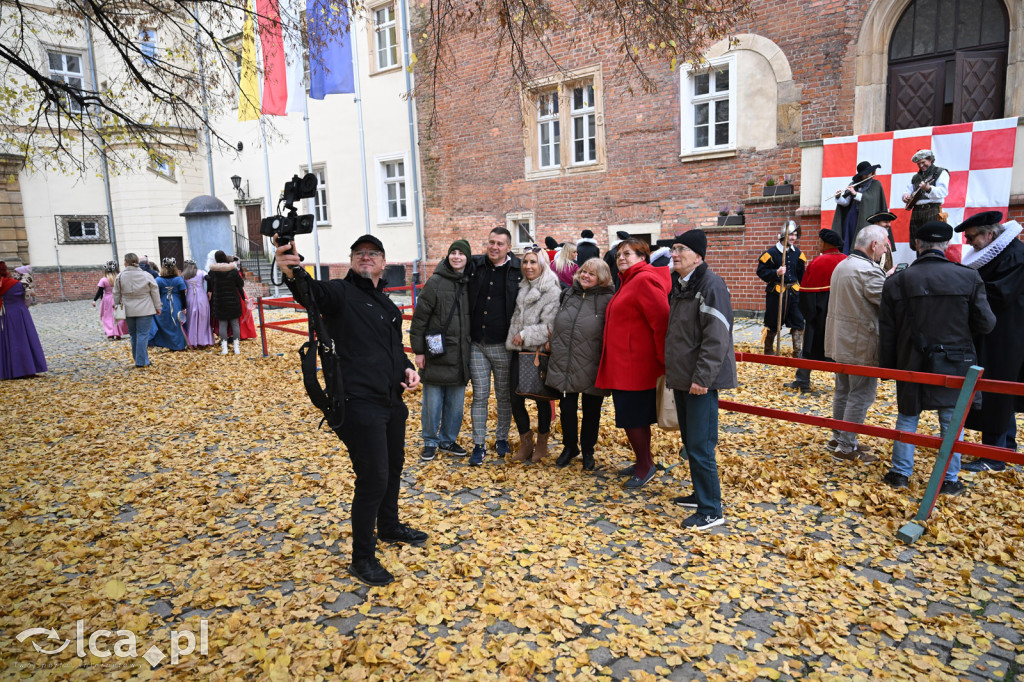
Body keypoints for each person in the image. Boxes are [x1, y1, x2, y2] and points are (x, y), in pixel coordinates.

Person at [275, 233, 426, 587]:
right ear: (351, 260)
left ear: (384, 262)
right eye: (359, 253)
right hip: (359, 402)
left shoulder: (387, 305)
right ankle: (362, 558)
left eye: (373, 253)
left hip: (391, 400)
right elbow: (311, 293)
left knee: (393, 467)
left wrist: (407, 368)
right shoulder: (340, 294)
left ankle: (388, 525)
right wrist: (292, 270)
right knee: (372, 477)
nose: (366, 257)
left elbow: (393, 350)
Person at [878, 220, 995, 495]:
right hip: (956, 361)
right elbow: (986, 324)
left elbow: (887, 331)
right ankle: (949, 479)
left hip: (911, 360)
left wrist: (888, 368)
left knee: (908, 417)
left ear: (917, 244)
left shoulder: (897, 281)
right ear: (946, 245)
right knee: (952, 422)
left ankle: (900, 473)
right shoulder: (968, 277)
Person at [665, 230, 736, 530]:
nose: (674, 254)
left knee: (701, 444)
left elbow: (717, 337)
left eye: (681, 249)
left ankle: (711, 510)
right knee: (691, 441)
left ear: (698, 256)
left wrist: (702, 378)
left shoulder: (710, 284)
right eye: (673, 249)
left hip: (699, 380)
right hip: (684, 377)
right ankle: (700, 495)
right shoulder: (682, 284)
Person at [595, 237, 671, 488]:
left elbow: (661, 321)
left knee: (633, 417)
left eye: (628, 254)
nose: (621, 258)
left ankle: (645, 466)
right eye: (619, 254)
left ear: (643, 257)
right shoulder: (628, 280)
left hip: (636, 366)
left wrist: (663, 361)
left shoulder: (643, 280)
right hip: (625, 364)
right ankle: (643, 460)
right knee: (632, 417)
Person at [956, 212, 1024, 472]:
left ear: (990, 234)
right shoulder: (1004, 252)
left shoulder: (1015, 255)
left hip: (1006, 336)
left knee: (998, 391)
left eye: (972, 236)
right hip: (998, 333)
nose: (969, 242)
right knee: (1001, 392)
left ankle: (994, 456)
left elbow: (997, 294)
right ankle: (1003, 448)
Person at [824, 224, 891, 463]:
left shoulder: (843, 264)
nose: (886, 250)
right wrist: (891, 282)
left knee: (843, 391)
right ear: (874, 245)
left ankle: (838, 438)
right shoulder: (868, 271)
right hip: (861, 342)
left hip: (841, 340)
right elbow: (887, 303)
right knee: (860, 395)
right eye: (885, 245)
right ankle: (846, 446)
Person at [409, 239, 473, 462]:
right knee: (432, 403)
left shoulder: (470, 282)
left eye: (461, 253)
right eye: (453, 253)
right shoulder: (435, 282)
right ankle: (430, 441)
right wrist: (419, 351)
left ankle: (447, 440)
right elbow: (419, 319)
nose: (456, 257)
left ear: (467, 258)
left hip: (461, 353)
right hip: (436, 351)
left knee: (455, 404)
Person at [548, 257, 614, 470]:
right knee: (567, 408)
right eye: (584, 271)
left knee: (591, 411)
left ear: (602, 278)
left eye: (591, 274)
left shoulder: (608, 300)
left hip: (592, 363)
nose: (585, 275)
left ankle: (588, 450)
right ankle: (569, 447)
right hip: (565, 362)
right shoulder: (568, 294)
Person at [467, 228, 522, 465]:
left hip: (503, 345)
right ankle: (478, 444)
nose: (494, 247)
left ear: (508, 247)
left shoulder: (518, 270)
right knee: (480, 394)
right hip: (477, 343)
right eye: (491, 242)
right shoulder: (475, 265)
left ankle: (501, 438)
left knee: (503, 396)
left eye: (500, 244)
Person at [504, 245, 561, 463]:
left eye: (533, 262)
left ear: (542, 265)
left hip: (537, 352)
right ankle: (526, 442)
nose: (528, 266)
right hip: (518, 352)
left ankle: (542, 443)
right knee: (515, 398)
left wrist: (525, 334)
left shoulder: (551, 290)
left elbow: (551, 326)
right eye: (525, 262)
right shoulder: (522, 287)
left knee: (541, 398)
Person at [785, 229, 845, 393]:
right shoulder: (846, 261)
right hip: (841, 317)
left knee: (809, 349)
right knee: (840, 352)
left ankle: (802, 381)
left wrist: (809, 317)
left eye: (820, 242)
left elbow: (806, 295)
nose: (818, 244)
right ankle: (842, 386)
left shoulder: (818, 262)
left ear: (825, 243)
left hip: (819, 316)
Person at [756, 221, 805, 356]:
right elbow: (761, 272)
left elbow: (802, 275)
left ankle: (797, 352)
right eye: (791, 234)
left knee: (797, 320)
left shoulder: (798, 254)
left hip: (793, 293)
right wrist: (776, 273)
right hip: (776, 294)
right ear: (784, 235)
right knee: (772, 321)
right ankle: (769, 350)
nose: (793, 238)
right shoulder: (770, 254)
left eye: (795, 235)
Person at [0, 261, 47, 380]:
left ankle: (6, 371)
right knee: (22, 341)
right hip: (18, 315)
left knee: (5, 341)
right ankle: (26, 369)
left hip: (2, 315)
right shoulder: (14, 284)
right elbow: (32, 293)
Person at [114, 253, 161, 368]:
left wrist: (117, 305)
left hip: (128, 308)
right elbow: (154, 291)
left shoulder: (120, 276)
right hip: (145, 308)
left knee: (133, 335)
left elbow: (116, 293)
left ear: (126, 262)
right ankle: (141, 361)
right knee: (143, 334)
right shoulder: (146, 275)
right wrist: (157, 306)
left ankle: (139, 359)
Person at [831, 161, 888, 254]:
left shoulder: (876, 184)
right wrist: (838, 197)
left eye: (869, 172)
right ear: (861, 175)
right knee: (851, 239)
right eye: (865, 174)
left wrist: (855, 194)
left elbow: (870, 199)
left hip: (867, 218)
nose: (868, 175)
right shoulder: (854, 184)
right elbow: (845, 203)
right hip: (853, 217)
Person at [901, 150, 949, 251]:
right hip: (917, 211)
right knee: (917, 243)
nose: (921, 165)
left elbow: (943, 192)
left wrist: (929, 189)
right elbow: (908, 191)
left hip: (932, 210)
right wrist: (905, 196)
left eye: (923, 162)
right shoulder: (915, 177)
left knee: (933, 242)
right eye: (918, 164)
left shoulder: (940, 172)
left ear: (930, 160)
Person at [206, 251, 246, 355]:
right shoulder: (233, 270)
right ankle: (236, 348)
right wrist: (243, 298)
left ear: (216, 259)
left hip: (220, 301)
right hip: (233, 300)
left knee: (222, 324)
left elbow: (209, 283)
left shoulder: (213, 271)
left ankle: (224, 348)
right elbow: (240, 284)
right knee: (235, 324)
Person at [149, 258, 188, 351]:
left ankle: (167, 343)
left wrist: (156, 306)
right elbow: (183, 294)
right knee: (176, 323)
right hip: (176, 303)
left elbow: (156, 294)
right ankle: (178, 345)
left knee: (165, 323)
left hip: (163, 303)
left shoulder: (158, 280)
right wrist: (184, 307)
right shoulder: (178, 279)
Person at [181, 259, 214, 348]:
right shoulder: (202, 272)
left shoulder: (184, 275)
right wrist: (209, 290)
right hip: (202, 297)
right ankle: (203, 340)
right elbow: (210, 279)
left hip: (190, 297)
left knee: (191, 318)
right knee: (203, 318)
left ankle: (191, 340)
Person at [92, 260, 128, 340]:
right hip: (118, 298)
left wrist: (94, 300)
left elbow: (100, 291)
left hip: (107, 300)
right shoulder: (119, 278)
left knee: (107, 316)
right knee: (118, 316)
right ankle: (118, 332)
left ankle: (110, 333)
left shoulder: (103, 280)